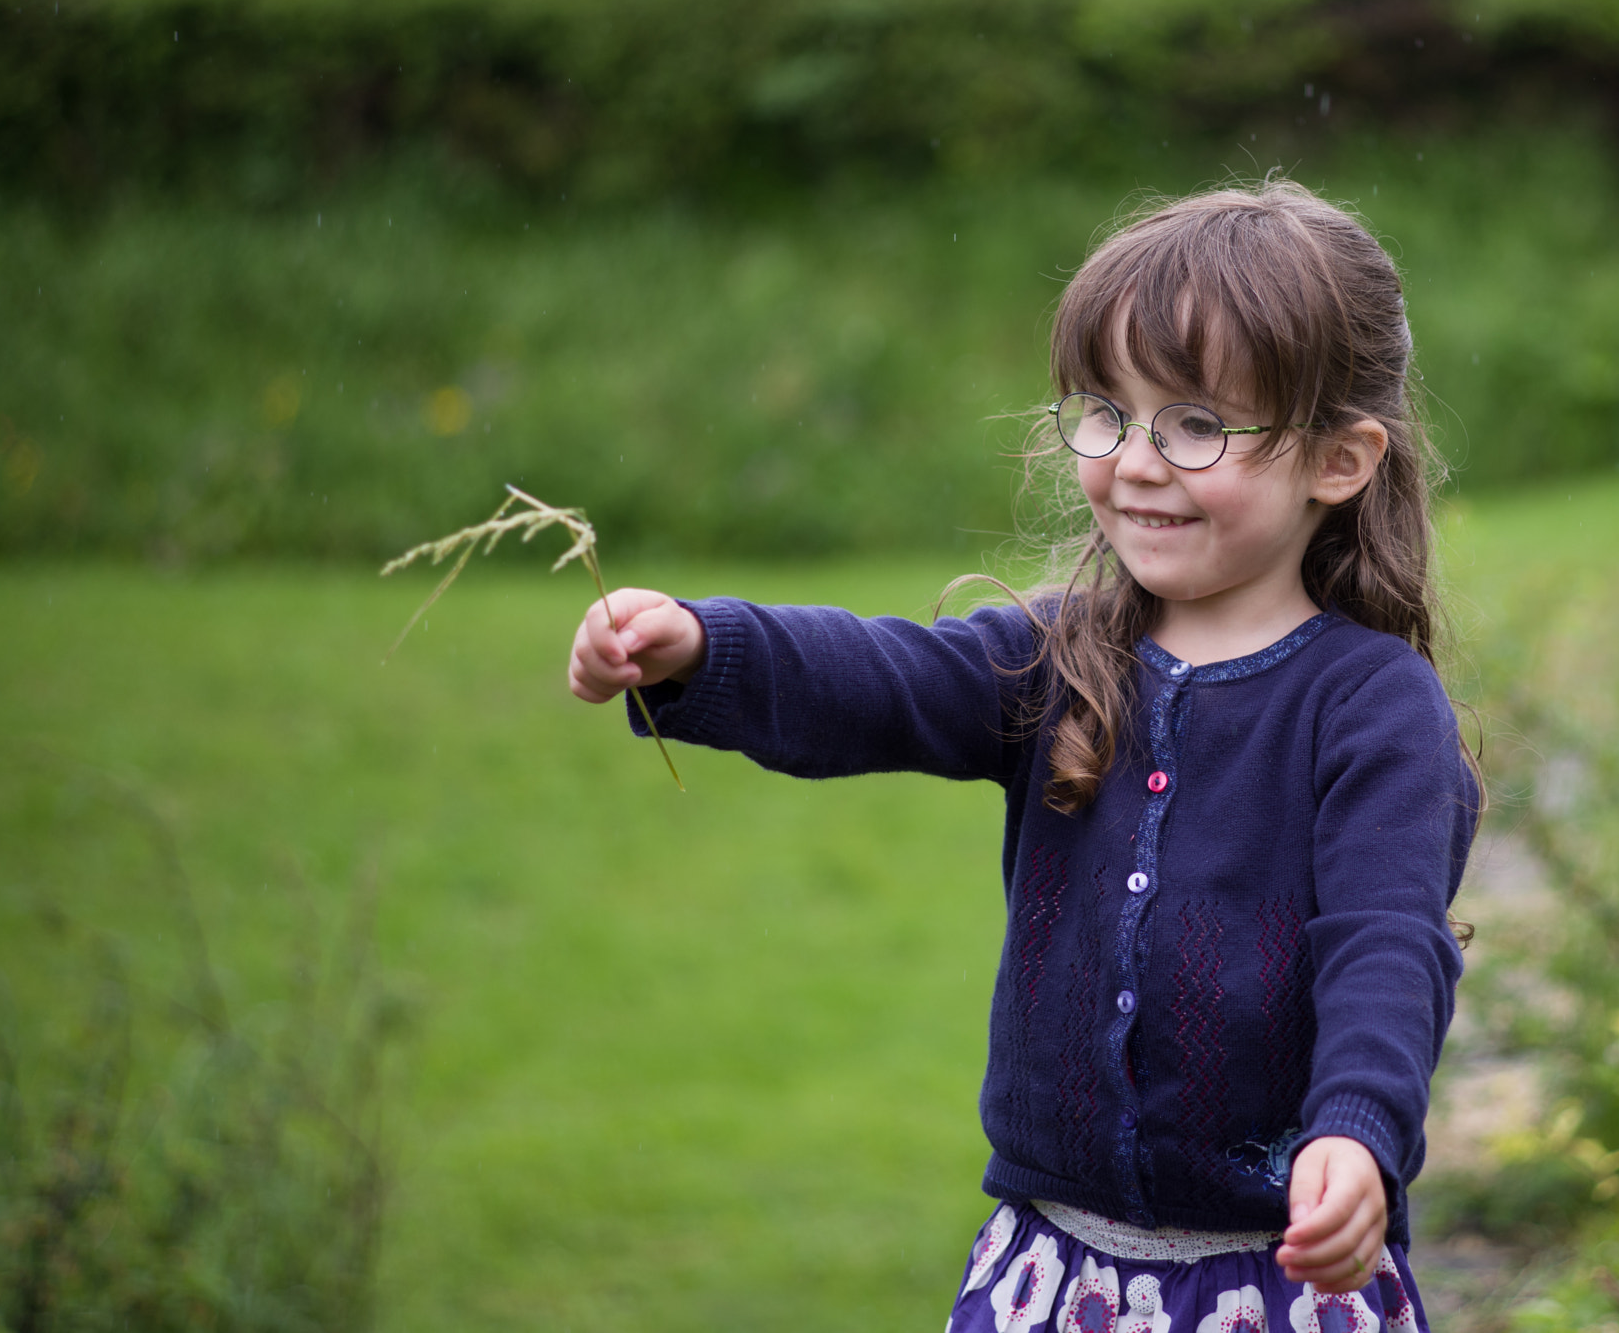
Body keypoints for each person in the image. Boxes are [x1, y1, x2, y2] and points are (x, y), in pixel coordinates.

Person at [567, 181, 1479, 1332]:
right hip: (1050, 1278)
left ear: (1338, 459)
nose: (1135, 461)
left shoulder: (1371, 705)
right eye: (1105, 409)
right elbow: (881, 681)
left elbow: (1386, 941)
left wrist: (1355, 1126)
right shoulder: (1061, 656)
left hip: (1272, 1285)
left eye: (1196, 424)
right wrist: (703, 646)